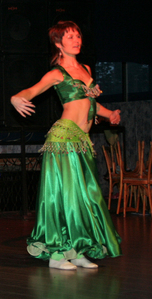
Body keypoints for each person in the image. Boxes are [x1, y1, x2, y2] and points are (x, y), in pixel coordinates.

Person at [10, 21, 122, 270]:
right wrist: (16, 98)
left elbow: (89, 104)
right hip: (64, 139)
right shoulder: (57, 73)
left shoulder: (85, 69)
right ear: (58, 44)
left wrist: (109, 114)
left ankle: (77, 250)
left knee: (84, 197)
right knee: (66, 198)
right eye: (70, 37)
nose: (76, 40)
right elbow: (31, 91)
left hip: (82, 141)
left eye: (78, 35)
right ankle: (58, 255)